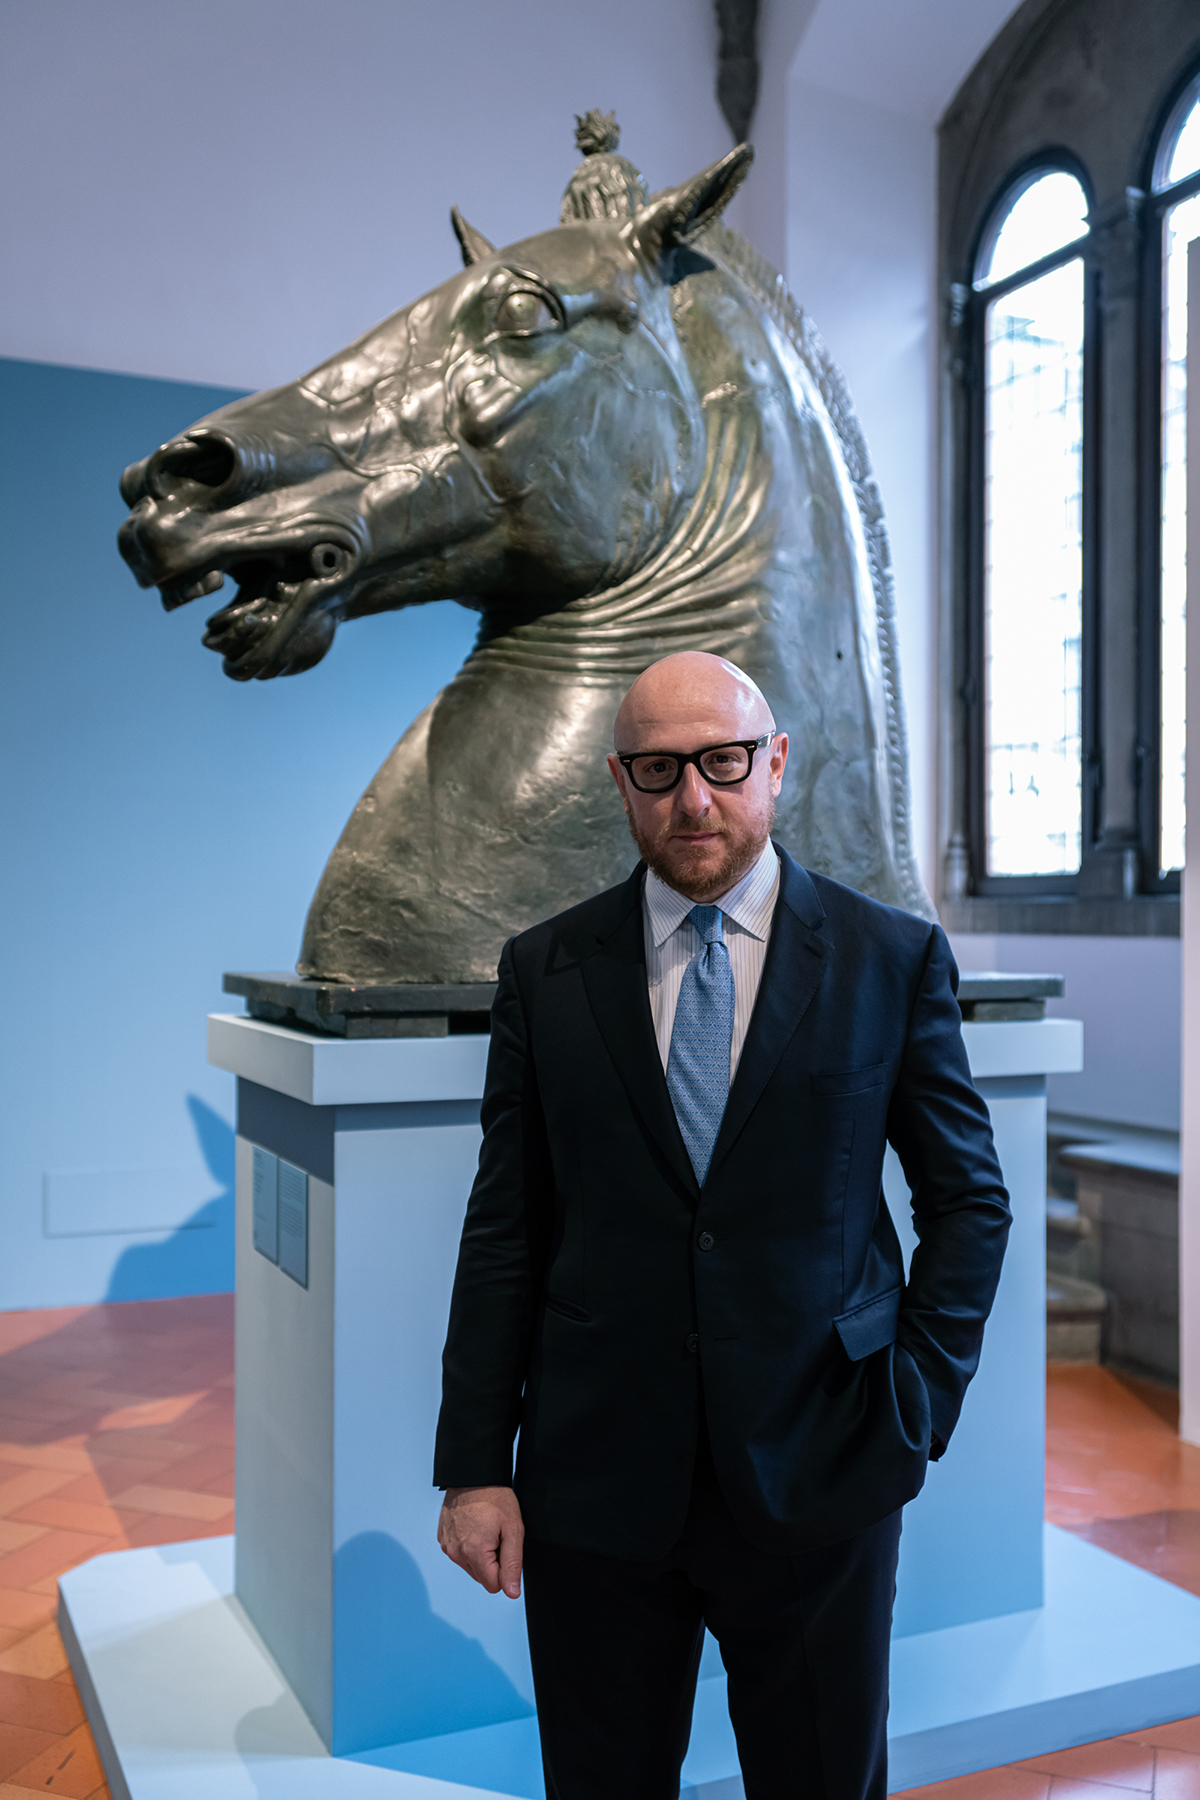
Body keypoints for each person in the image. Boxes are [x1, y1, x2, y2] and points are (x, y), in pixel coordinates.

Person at [434, 651, 1010, 1800]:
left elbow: (967, 1199)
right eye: (659, 770)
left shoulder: (890, 959)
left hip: (824, 1465)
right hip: (596, 1478)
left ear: (775, 765)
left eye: (722, 762)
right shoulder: (546, 971)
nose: (693, 799)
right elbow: (507, 1224)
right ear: (620, 780)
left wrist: (917, 1405)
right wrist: (473, 1465)